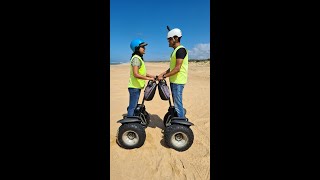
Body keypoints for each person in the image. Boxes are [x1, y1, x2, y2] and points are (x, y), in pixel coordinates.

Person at [157, 28, 188, 118]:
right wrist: (162, 74)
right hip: (174, 81)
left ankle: (181, 125)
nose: (168, 41)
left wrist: (164, 76)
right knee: (176, 103)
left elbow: (177, 68)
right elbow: (172, 68)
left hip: (178, 81)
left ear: (176, 38)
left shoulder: (180, 50)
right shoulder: (175, 51)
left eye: (170, 39)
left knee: (178, 105)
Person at [127, 38, 156, 117]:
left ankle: (131, 119)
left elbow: (142, 73)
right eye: (142, 47)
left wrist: (153, 76)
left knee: (134, 105)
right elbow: (136, 74)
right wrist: (149, 79)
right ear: (137, 48)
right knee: (132, 106)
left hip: (137, 87)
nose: (144, 48)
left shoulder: (139, 58)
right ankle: (129, 122)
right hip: (134, 87)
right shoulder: (136, 59)